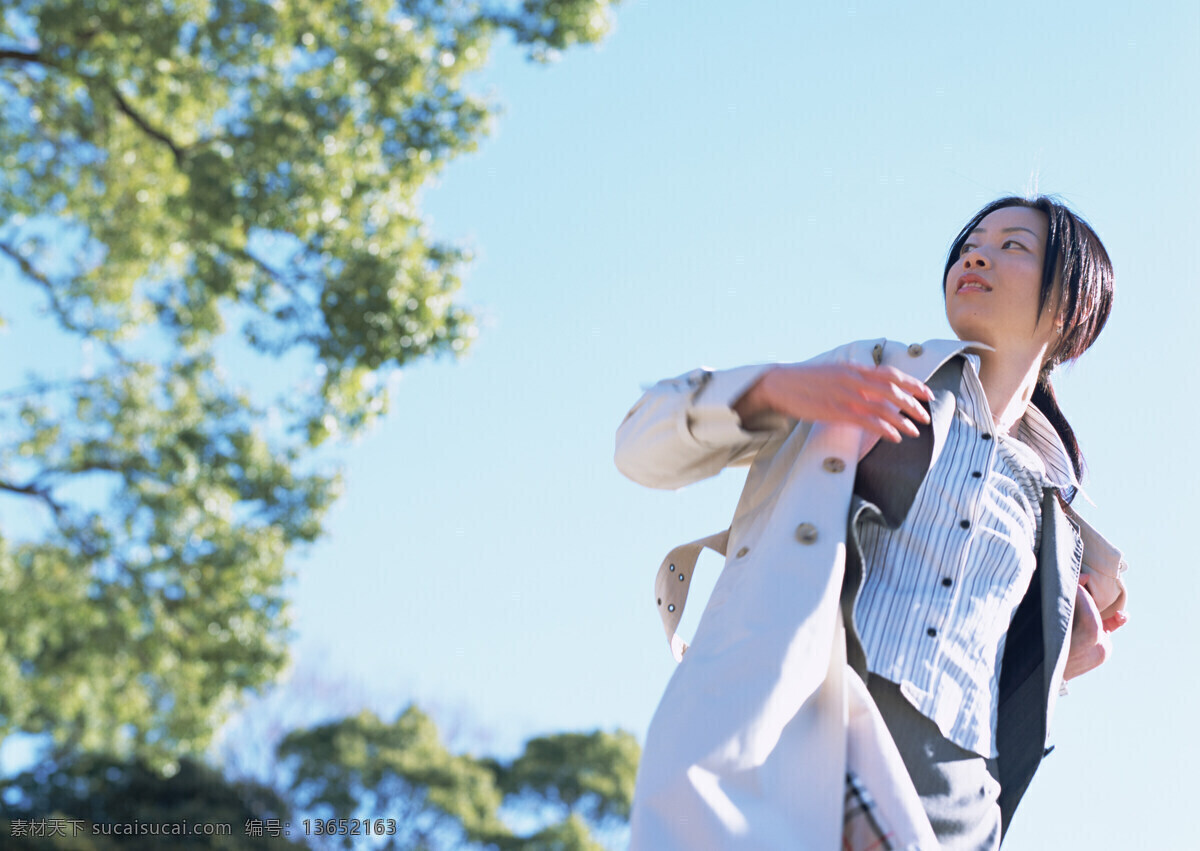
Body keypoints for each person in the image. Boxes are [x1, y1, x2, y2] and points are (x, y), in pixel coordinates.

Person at [615, 196, 1129, 850]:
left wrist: (1060, 655)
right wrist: (774, 388)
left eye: (1013, 246)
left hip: (957, 805)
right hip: (802, 756)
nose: (976, 253)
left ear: (1070, 305)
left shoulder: (1053, 509)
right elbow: (638, 447)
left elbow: (1035, 658)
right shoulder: (873, 375)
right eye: (972, 241)